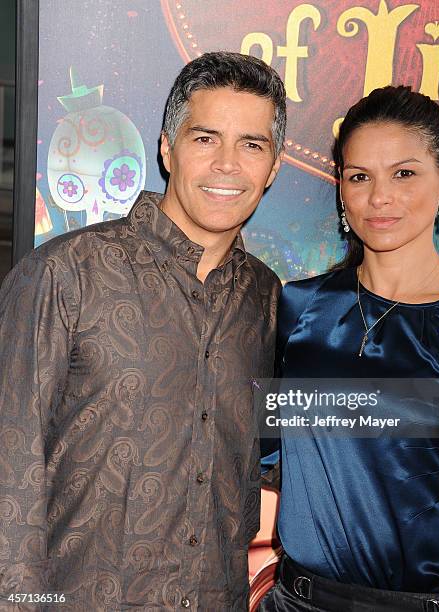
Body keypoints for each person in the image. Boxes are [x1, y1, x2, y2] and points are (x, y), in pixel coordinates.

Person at [0, 51, 285, 610]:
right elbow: (10, 469)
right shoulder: (65, 273)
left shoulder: (267, 299)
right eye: (205, 138)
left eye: (251, 144)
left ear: (272, 167)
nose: (227, 164)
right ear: (166, 147)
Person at [260, 86, 439, 611]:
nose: (380, 197)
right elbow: (261, 450)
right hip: (293, 601)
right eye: (360, 177)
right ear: (341, 187)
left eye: (405, 173)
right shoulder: (299, 306)